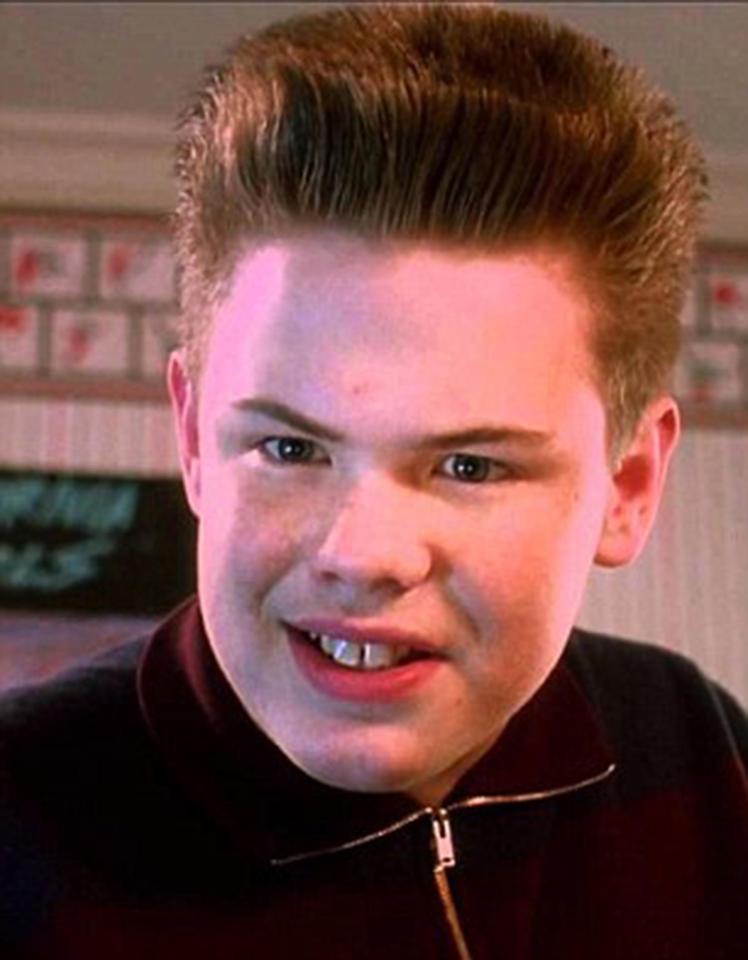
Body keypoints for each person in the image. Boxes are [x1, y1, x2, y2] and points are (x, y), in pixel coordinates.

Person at [1, 3, 746, 957]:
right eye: (290, 449)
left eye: (469, 466)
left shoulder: (695, 747)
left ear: (628, 485)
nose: (361, 555)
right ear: (192, 439)